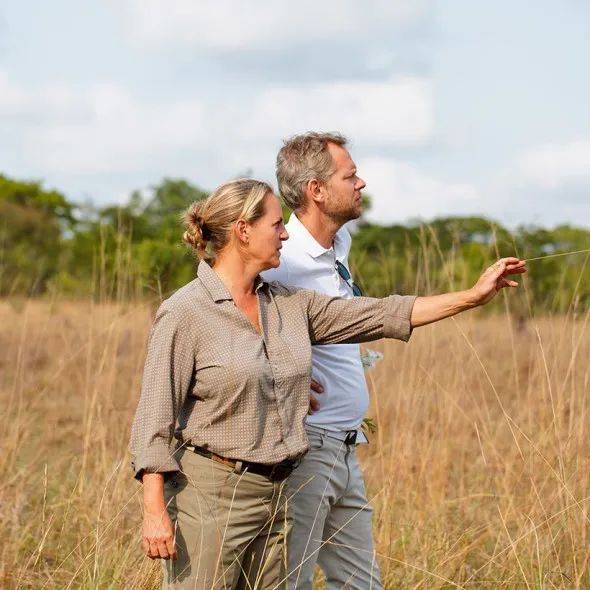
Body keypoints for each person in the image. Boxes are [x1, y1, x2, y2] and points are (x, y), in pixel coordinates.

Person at [129, 177, 526, 590]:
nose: (285, 234)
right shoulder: (185, 313)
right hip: (209, 494)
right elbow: (153, 420)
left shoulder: (289, 304)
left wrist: (472, 297)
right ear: (243, 232)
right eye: (276, 224)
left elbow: (380, 314)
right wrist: (155, 510)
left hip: (278, 494)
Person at [261, 131, 519, 589]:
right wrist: (278, 380)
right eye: (350, 175)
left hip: (344, 446)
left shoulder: (337, 246)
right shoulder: (283, 258)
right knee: (289, 582)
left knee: (362, 584)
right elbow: (230, 322)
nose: (361, 183)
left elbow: (363, 318)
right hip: (306, 451)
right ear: (316, 191)